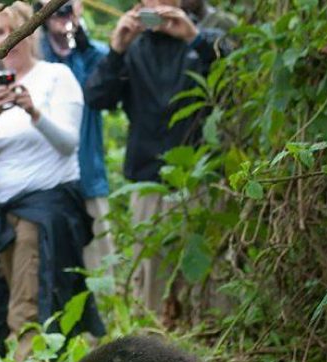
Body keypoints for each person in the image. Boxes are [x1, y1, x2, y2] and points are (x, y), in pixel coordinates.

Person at [0, 1, 105, 362]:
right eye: (0, 33)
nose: (9, 41)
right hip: (6, 210)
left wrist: (33, 112)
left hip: (47, 207)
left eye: (17, 32)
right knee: (16, 294)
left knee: (27, 305)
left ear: (32, 35)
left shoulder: (55, 78)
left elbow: (68, 142)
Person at [84, 0, 229, 321]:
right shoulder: (133, 48)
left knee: (208, 284)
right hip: (149, 180)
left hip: (201, 176)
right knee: (151, 286)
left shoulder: (209, 38)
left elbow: (233, 85)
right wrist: (117, 48)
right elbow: (96, 97)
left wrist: (194, 38)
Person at [37, 0, 115, 277]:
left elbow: (105, 78)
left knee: (101, 274)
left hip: (88, 179)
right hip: (44, 185)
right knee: (52, 275)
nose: (60, 11)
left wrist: (80, 40)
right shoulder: (33, 57)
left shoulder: (94, 56)